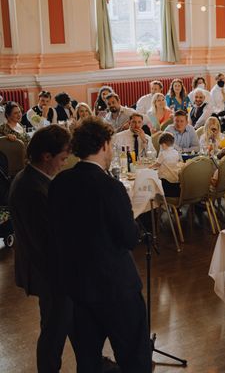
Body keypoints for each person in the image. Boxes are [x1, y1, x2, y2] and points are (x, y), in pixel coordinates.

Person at [49, 118, 152, 372]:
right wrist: (136, 220)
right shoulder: (111, 187)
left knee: (88, 360)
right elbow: (128, 238)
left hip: (77, 287)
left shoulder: (59, 184)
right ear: (105, 145)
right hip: (115, 288)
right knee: (134, 357)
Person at [9, 125, 74, 372]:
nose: (64, 163)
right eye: (62, 158)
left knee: (70, 323)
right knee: (54, 333)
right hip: (51, 273)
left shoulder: (29, 177)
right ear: (47, 156)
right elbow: (48, 241)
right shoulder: (34, 189)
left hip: (46, 269)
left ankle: (96, 363)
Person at [152, 132, 182, 198]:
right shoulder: (176, 152)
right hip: (175, 181)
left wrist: (149, 167)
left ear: (163, 144)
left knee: (153, 182)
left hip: (166, 183)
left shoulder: (163, 153)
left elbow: (157, 164)